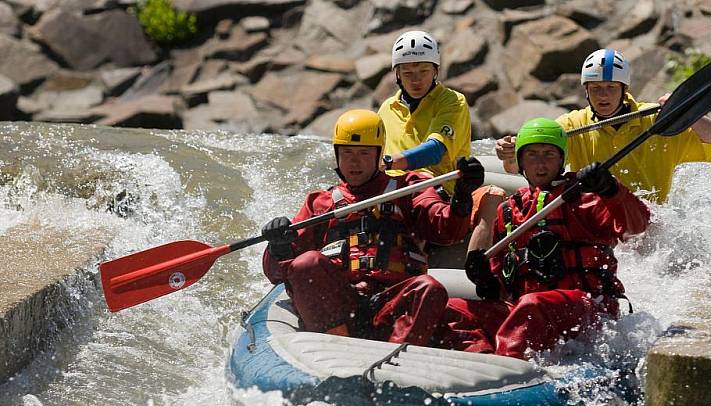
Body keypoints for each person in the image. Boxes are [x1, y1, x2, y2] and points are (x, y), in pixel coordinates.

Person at [261, 109, 484, 346]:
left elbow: (446, 229)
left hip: (393, 303)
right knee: (307, 263)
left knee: (429, 288)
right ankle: (339, 346)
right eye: (347, 153)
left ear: (379, 155)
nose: (354, 161)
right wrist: (278, 247)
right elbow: (278, 273)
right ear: (337, 156)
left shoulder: (408, 188)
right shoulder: (320, 202)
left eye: (364, 153)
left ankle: (395, 360)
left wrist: (461, 196)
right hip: (341, 305)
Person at [434, 118, 650, 360]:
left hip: (587, 309)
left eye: (549, 154)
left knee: (531, 305)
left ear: (561, 160)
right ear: (521, 162)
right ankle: (483, 367)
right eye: (532, 155)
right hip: (528, 311)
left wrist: (610, 189)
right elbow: (502, 286)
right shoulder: (507, 211)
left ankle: (509, 370)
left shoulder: (583, 198)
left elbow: (636, 227)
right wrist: (486, 279)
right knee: (453, 310)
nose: (540, 163)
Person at [495, 48, 711, 204]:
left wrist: (687, 110)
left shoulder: (656, 119)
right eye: (596, 88)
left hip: (650, 220)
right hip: (597, 217)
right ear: (586, 91)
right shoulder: (572, 124)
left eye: (611, 87)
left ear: (624, 90)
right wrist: (509, 155)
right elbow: (518, 168)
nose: (603, 96)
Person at [378, 29, 506, 251]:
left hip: (439, 189)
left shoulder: (453, 101)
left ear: (436, 70)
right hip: (394, 190)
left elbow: (434, 151)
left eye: (424, 71)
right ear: (397, 74)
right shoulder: (386, 109)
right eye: (408, 73)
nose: (416, 80)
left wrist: (390, 162)